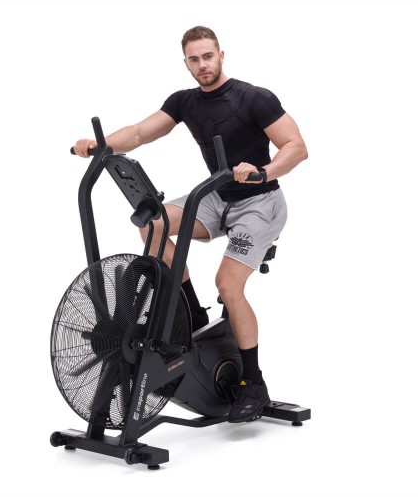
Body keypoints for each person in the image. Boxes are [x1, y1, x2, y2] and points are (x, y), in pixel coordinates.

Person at [73, 25, 308, 423]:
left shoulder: (253, 98)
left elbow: (297, 147)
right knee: (153, 225)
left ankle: (254, 384)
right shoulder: (185, 101)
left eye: (208, 56)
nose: (202, 65)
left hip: (259, 201)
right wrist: (100, 145)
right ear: (186, 63)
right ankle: (193, 316)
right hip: (217, 196)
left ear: (221, 55)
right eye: (194, 59)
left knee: (228, 286)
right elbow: (139, 133)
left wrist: (262, 172)